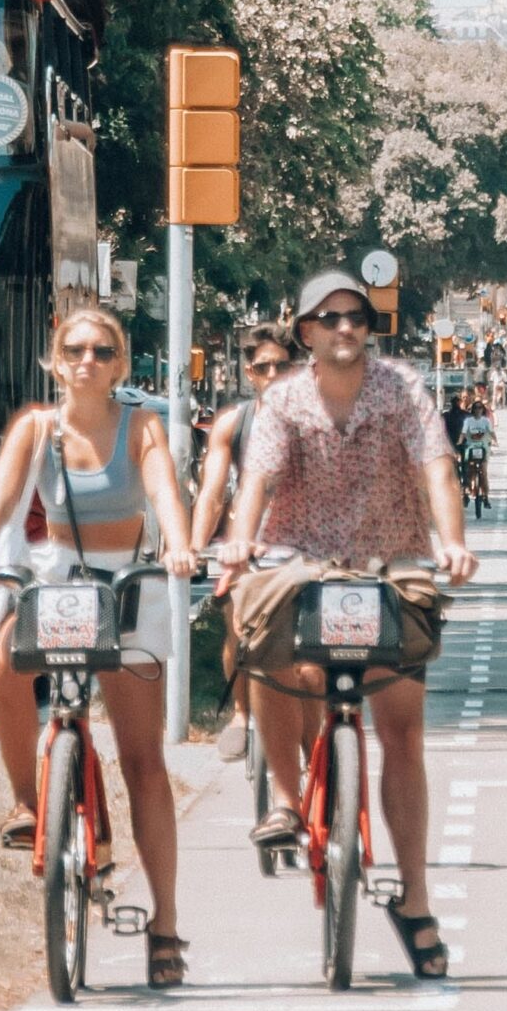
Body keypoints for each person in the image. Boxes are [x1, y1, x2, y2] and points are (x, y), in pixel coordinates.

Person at [218, 271, 477, 981]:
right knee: (258, 629)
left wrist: (450, 542)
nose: (344, 328)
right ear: (304, 331)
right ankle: (285, 790)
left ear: (370, 327)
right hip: (298, 557)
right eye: (328, 318)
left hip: (389, 560)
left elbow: (437, 471)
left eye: (356, 317)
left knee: (402, 727)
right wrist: (240, 547)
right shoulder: (282, 402)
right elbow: (258, 485)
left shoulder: (403, 390)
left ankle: (416, 899)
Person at [0, 309, 197, 988]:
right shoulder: (37, 428)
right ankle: (29, 802)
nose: (87, 360)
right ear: (54, 363)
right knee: (4, 664)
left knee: (144, 759)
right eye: (74, 350)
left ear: (120, 364)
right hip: (61, 577)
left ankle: (167, 923)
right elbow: (1, 502)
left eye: (102, 350)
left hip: (129, 581)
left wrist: (177, 546)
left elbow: (163, 494)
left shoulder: (141, 426)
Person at [189, 322, 299, 762]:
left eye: (282, 366)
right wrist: (194, 550)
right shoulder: (234, 423)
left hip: (306, 547)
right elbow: (213, 493)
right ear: (250, 373)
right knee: (239, 626)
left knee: (314, 653)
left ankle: (322, 743)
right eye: (263, 367)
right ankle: (242, 715)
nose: (273, 375)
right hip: (247, 546)